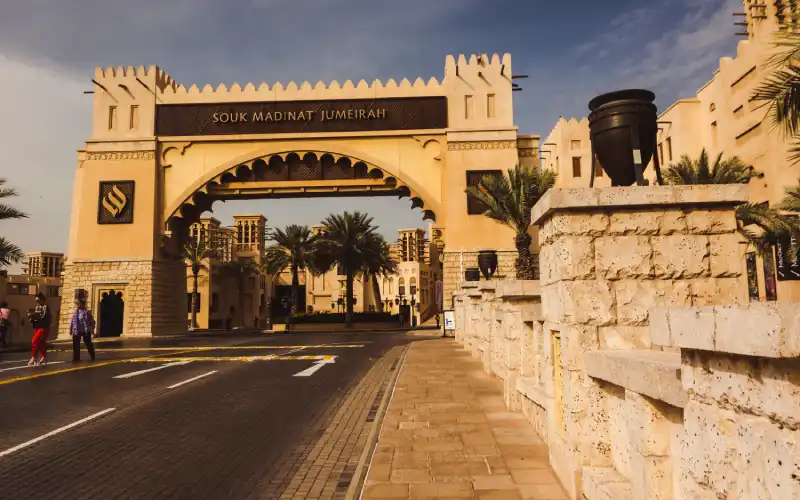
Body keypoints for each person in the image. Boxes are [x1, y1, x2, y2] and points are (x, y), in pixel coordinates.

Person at [69, 297, 96, 361]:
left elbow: (92, 321)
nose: (77, 305)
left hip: (86, 330)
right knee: (76, 345)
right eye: (76, 304)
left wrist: (92, 329)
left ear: (83, 304)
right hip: (76, 330)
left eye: (78, 304)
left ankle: (92, 355)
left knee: (88, 343)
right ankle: (76, 358)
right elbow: (72, 321)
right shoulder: (75, 312)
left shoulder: (87, 312)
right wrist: (70, 329)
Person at [28, 293, 51, 366]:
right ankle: (43, 357)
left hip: (43, 327)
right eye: (36, 301)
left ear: (42, 299)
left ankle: (33, 357)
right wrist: (31, 317)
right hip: (37, 327)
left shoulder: (45, 307)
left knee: (34, 341)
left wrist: (34, 315)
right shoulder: (38, 307)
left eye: (38, 300)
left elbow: (43, 317)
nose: (37, 302)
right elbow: (34, 318)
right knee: (41, 343)